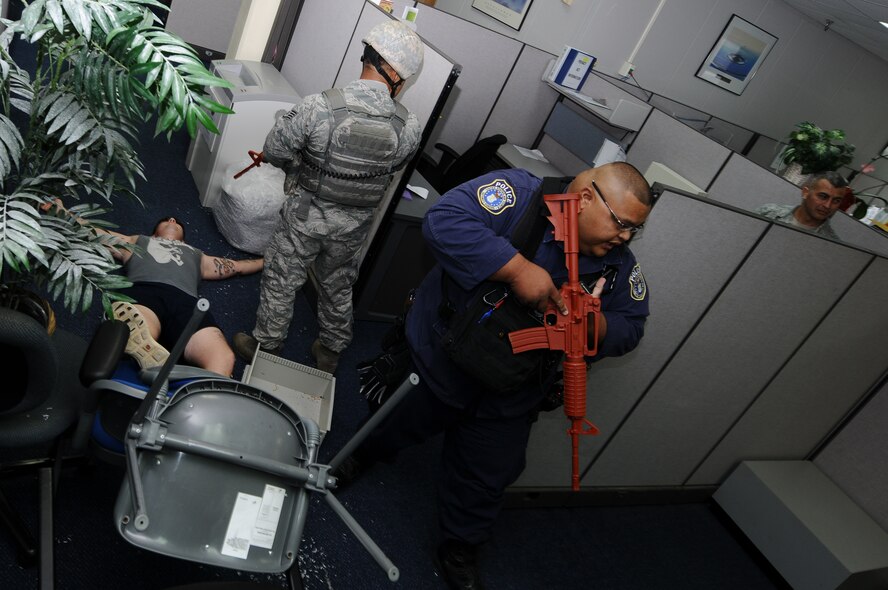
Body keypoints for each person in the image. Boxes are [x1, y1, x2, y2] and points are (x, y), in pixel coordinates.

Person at [336, 162, 653, 589]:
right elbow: (444, 221)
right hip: (442, 354)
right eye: (622, 224)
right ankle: (360, 455)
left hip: (512, 390)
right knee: (392, 421)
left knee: (487, 476)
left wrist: (594, 326)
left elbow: (633, 324)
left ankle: (460, 545)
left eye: (635, 230)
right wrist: (517, 269)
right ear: (584, 199)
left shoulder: (617, 267)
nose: (626, 237)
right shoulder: (520, 196)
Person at [233, 20, 424, 373]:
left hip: (305, 216)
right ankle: (330, 351)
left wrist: (303, 165)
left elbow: (274, 149)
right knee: (338, 283)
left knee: (281, 276)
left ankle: (266, 343)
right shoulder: (407, 126)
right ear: (397, 74)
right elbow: (392, 166)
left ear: (368, 58)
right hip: (355, 225)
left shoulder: (319, 107)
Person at [106, 217, 263, 376]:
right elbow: (95, 233)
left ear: (185, 240)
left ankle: (203, 395)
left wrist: (267, 261)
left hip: (187, 304)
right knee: (139, 328)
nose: (173, 220)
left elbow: (237, 266)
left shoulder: (197, 255)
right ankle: (143, 350)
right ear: (153, 235)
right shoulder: (137, 241)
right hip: (146, 291)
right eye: (167, 220)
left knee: (223, 357)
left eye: (176, 222)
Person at [755, 171, 848, 240]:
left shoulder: (831, 242)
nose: (828, 205)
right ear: (805, 192)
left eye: (836, 201)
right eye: (823, 196)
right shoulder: (769, 212)